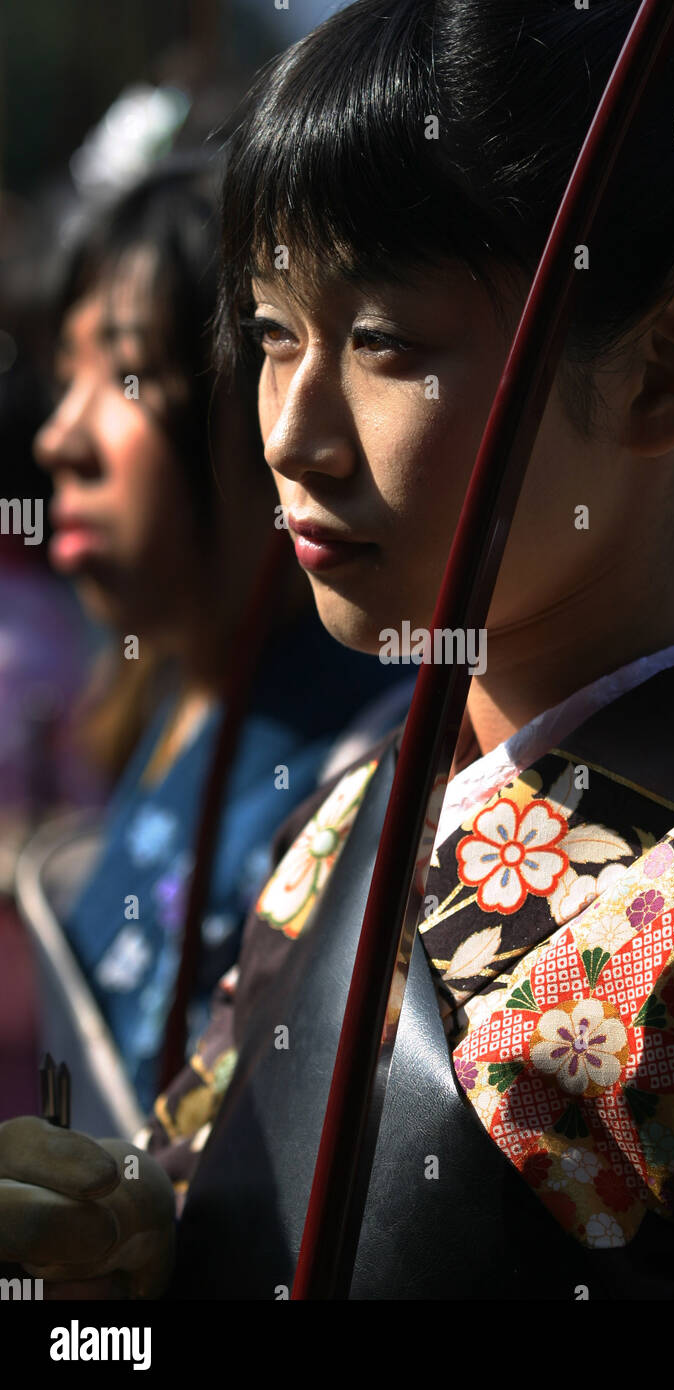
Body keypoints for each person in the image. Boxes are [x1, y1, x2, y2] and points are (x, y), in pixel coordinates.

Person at [2, 0, 674, 1301]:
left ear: (662, 374)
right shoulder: (370, 794)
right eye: (273, 333)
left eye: (383, 343)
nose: (290, 432)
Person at [26, 156, 408, 1112]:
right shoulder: (170, 695)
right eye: (62, 376)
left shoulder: (367, 761)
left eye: (127, 376)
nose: (57, 438)